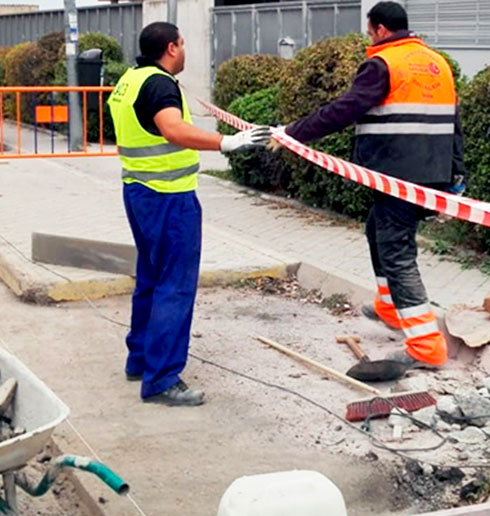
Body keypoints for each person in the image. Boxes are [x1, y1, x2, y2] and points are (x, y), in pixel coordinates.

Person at [283, 1, 465, 373]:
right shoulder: (436, 63)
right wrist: (457, 176)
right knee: (375, 229)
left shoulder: (383, 64)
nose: (370, 38)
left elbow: (345, 108)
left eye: (370, 32)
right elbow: (454, 123)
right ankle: (388, 306)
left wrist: (293, 133)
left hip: (397, 175)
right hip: (432, 173)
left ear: (380, 29)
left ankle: (426, 346)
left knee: (397, 252)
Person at [108, 22, 271, 406]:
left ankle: (142, 361)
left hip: (139, 193)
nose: (185, 51)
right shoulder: (160, 85)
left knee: (150, 278)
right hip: (169, 198)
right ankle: (162, 379)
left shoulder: (130, 80)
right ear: (171, 48)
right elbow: (173, 130)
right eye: (183, 45)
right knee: (175, 285)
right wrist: (226, 142)